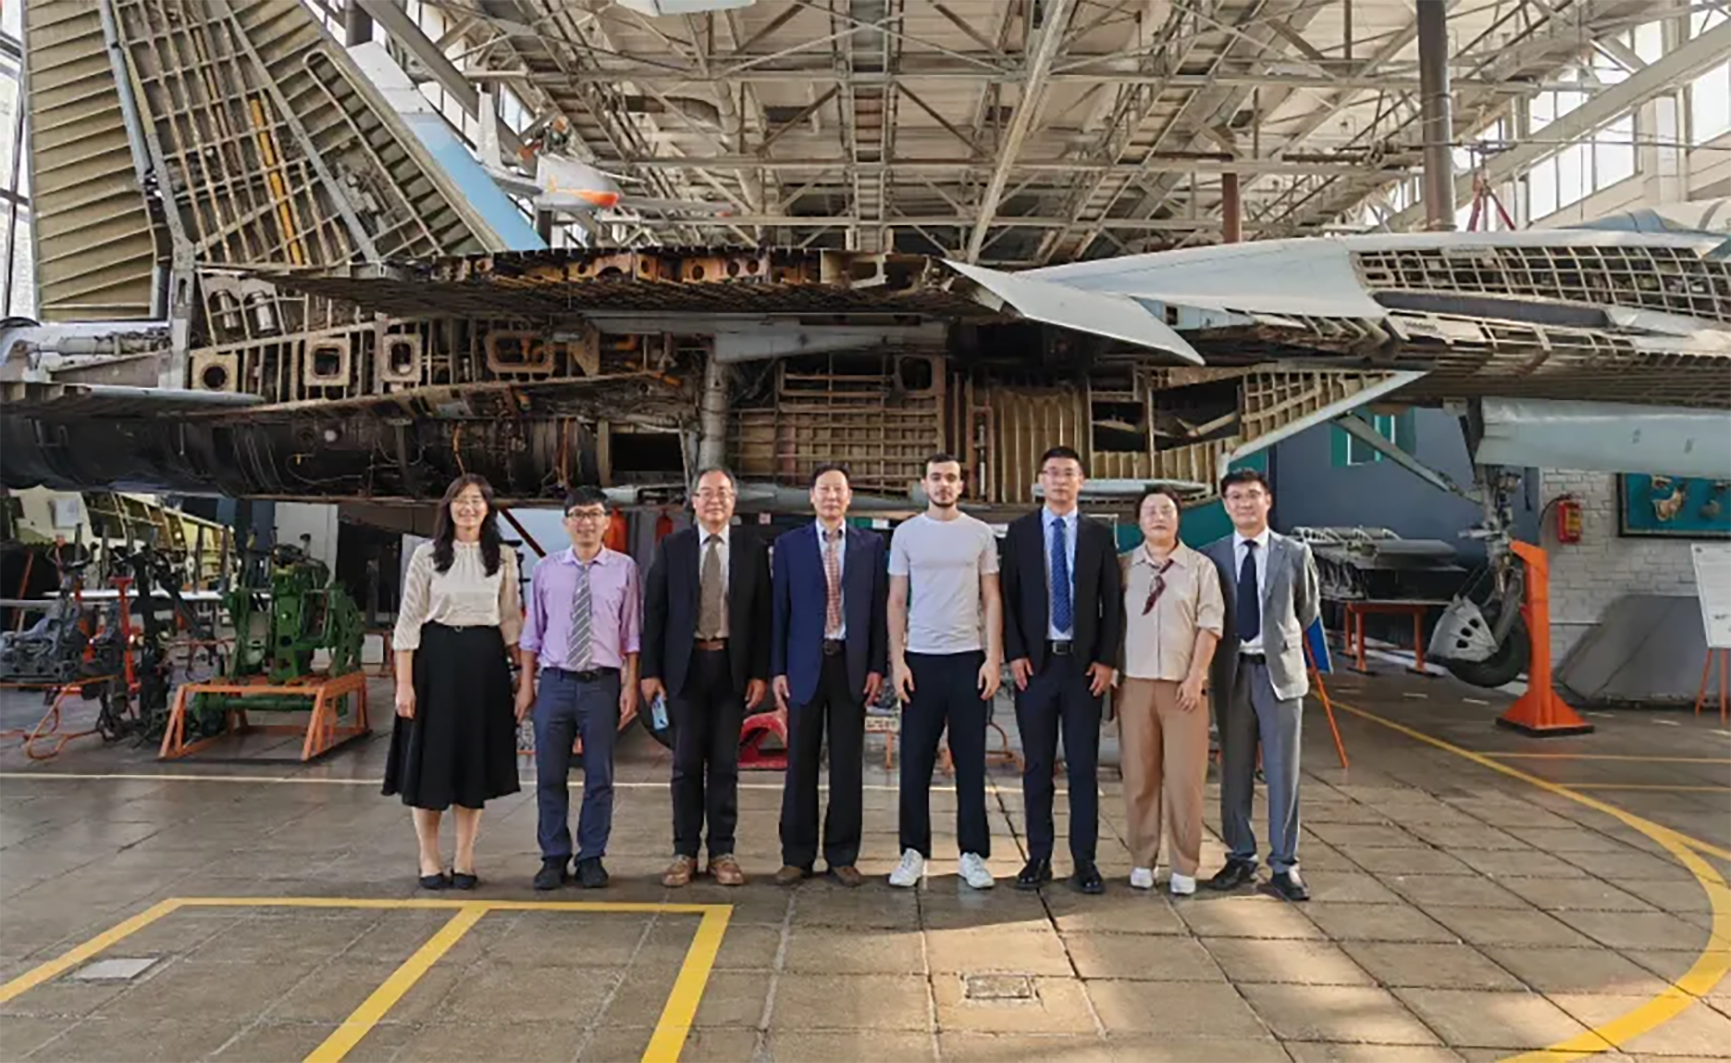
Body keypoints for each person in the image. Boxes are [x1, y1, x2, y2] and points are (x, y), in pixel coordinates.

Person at [384, 474, 524, 890]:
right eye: (460, 500)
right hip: (435, 662)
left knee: (471, 763)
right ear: (448, 508)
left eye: (477, 500)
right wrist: (404, 684)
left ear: (488, 509)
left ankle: (465, 856)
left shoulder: (502, 556)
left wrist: (523, 675)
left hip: (484, 664)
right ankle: (429, 857)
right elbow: (409, 620)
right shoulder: (427, 555)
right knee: (430, 762)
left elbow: (509, 617)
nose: (468, 507)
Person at [641, 467, 771, 888]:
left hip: (731, 668)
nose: (715, 500)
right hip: (685, 670)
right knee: (684, 765)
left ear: (734, 501)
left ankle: (722, 852)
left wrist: (759, 672)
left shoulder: (751, 548)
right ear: (693, 501)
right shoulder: (672, 547)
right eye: (706, 493)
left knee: (725, 765)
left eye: (723, 493)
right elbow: (655, 612)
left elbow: (762, 615)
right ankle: (684, 852)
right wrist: (650, 671)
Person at [1000, 446, 1121, 895]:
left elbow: (1112, 603)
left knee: (1083, 766)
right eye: (1052, 472)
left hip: (1084, 667)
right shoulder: (1020, 533)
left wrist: (1107, 659)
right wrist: (1014, 654)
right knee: (1037, 765)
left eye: (1068, 473)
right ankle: (1038, 856)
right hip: (1036, 665)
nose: (1060, 480)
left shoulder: (1098, 535)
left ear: (1081, 481)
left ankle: (1085, 860)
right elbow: (1007, 598)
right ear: (1040, 480)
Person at [1202, 468, 1320, 902]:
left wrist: (1276, 643)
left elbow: (1306, 610)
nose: (1244, 504)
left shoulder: (1295, 553)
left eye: (1252, 495)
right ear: (1225, 505)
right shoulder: (1212, 555)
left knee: (1282, 770)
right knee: (1234, 769)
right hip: (1231, 674)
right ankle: (1240, 855)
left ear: (1267, 501)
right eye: (1235, 497)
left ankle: (1285, 864)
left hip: (1279, 676)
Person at [886, 453, 1004, 890]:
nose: (943, 484)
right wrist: (898, 661)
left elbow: (992, 598)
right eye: (935, 478)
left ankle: (972, 854)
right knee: (915, 761)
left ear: (960, 485)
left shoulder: (980, 533)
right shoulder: (906, 534)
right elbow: (896, 601)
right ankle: (913, 852)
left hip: (968, 658)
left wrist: (993, 658)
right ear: (924, 484)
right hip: (920, 660)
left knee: (970, 762)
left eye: (950, 478)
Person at [517, 487, 641, 891]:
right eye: (578, 515)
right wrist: (526, 686)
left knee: (599, 776)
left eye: (594, 514)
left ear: (606, 521)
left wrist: (630, 683)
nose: (586, 522)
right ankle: (553, 856)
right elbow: (532, 634)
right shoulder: (546, 569)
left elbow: (631, 634)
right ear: (565, 522)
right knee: (549, 775)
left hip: (601, 685)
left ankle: (591, 857)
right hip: (555, 683)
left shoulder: (624, 569)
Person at [770, 464, 887, 888]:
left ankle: (842, 855)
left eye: (839, 490)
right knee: (800, 763)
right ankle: (796, 856)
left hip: (850, 666)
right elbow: (779, 611)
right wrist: (777, 669)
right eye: (824, 490)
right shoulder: (789, 545)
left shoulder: (871, 546)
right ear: (812, 497)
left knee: (847, 765)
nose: (832, 497)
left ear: (849, 497)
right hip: (804, 665)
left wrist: (877, 666)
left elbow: (878, 611)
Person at [1117, 486, 1223, 896]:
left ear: (1179, 518)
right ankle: (1142, 859)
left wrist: (1196, 676)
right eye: (1150, 511)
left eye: (1166, 510)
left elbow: (1210, 625)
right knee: (1139, 778)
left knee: (1184, 781)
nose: (1158, 517)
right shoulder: (1124, 567)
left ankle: (1184, 864)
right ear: (1138, 520)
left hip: (1185, 689)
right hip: (1135, 685)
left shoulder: (1200, 568)